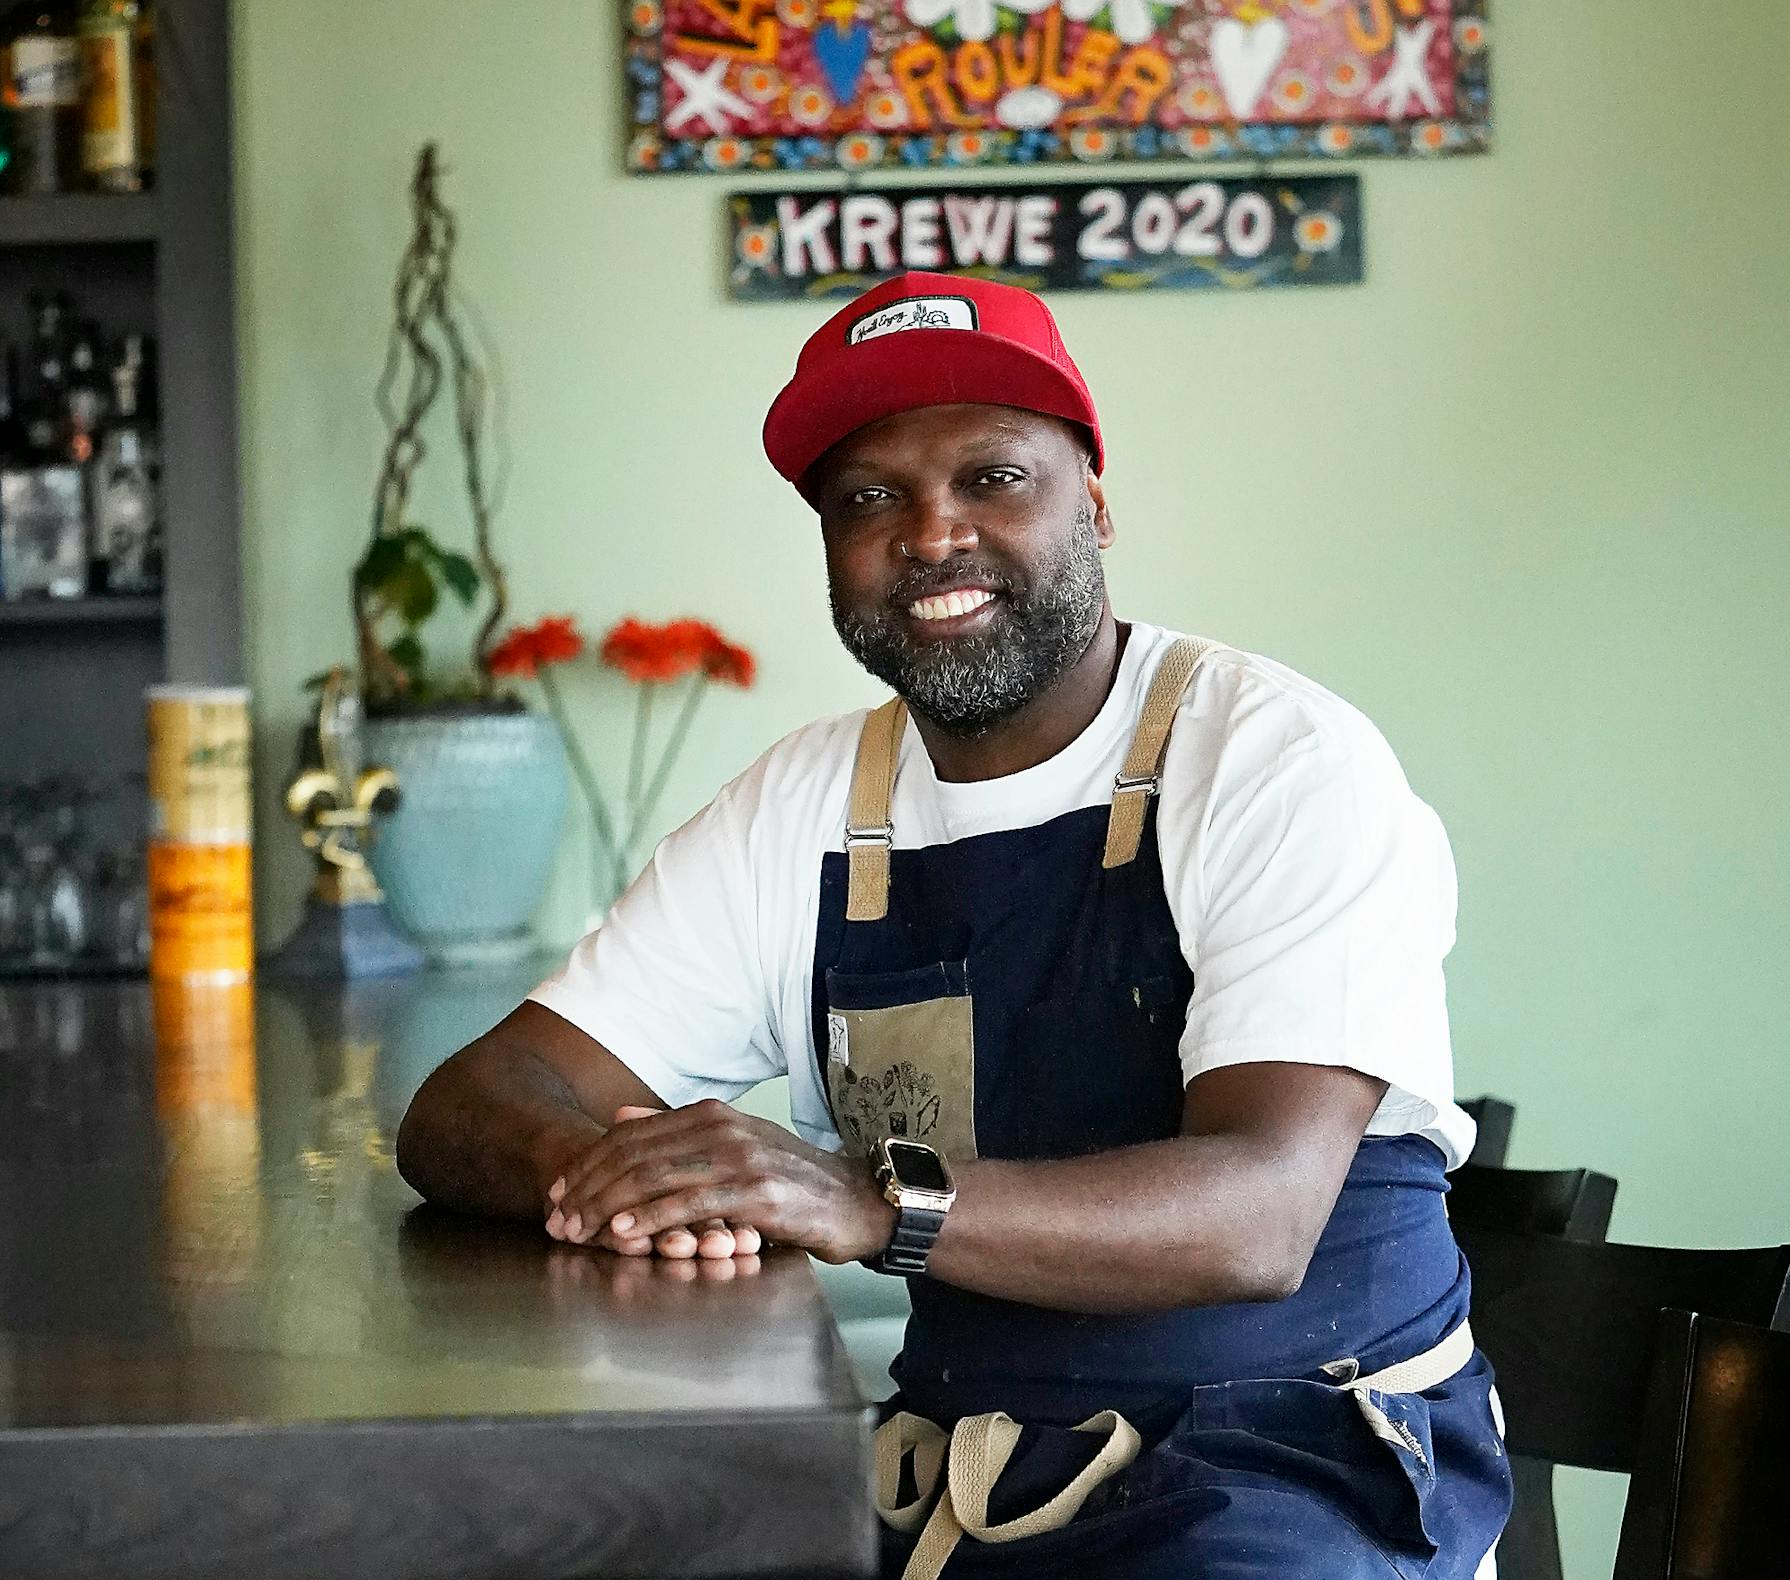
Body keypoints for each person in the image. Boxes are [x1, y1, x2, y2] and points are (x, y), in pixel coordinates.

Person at [396, 270, 1510, 1579]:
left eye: (993, 477)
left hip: (1290, 1468)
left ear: (1092, 502)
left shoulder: (1275, 758)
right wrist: (637, 1186)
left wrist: (868, 1200)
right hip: (956, 1474)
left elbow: (1256, 1216)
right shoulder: (809, 806)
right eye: (870, 498)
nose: (931, 533)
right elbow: (469, 1106)